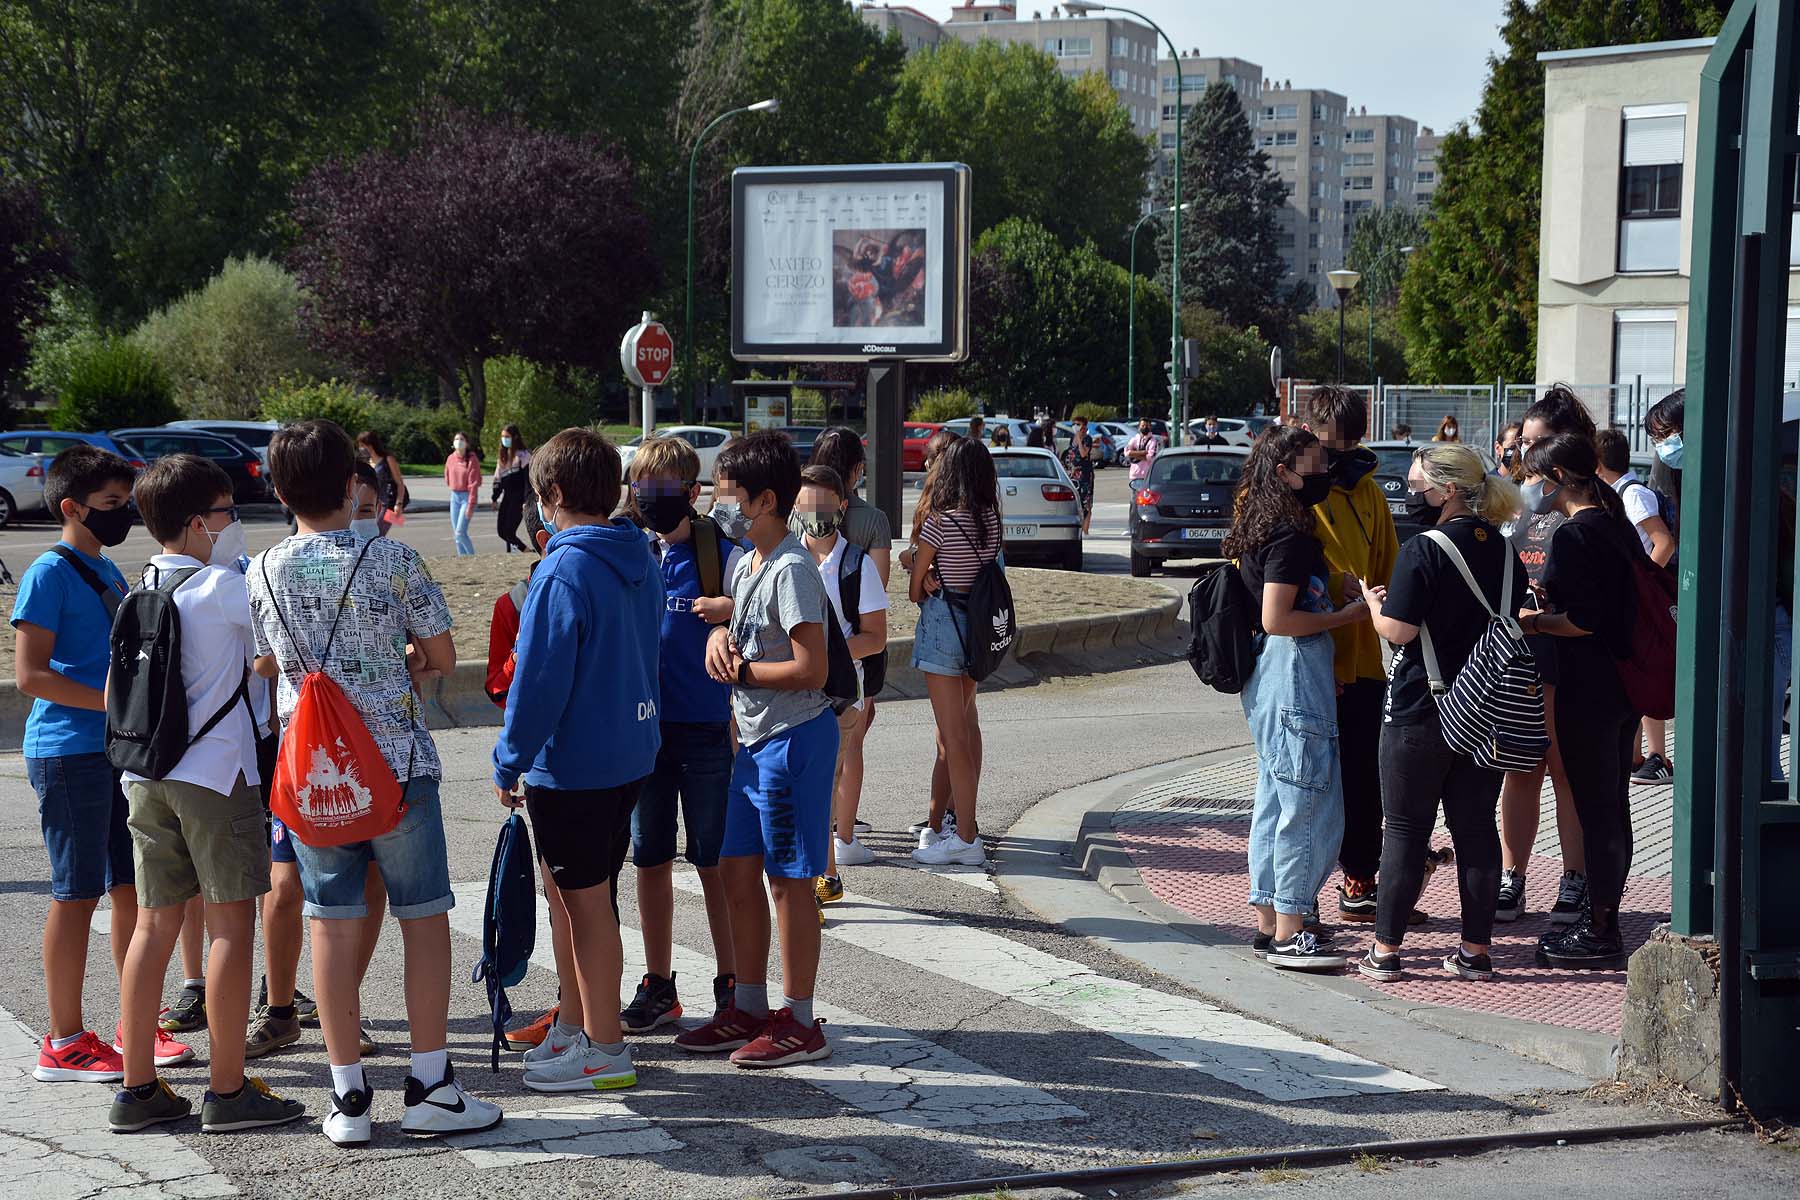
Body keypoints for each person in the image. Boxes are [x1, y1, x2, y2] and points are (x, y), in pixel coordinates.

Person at [249, 419, 500, 1145]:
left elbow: (270, 661)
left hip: (315, 774)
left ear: (275, 487)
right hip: (395, 765)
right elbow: (444, 654)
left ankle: (347, 1098)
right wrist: (406, 664)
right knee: (422, 916)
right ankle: (429, 1086)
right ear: (354, 485)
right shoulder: (393, 560)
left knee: (330, 920)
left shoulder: (261, 569)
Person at [109, 455, 307, 1133]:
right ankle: (227, 1089)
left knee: (153, 925)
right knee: (230, 927)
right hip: (215, 778)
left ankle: (137, 1087)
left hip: (145, 777)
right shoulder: (224, 586)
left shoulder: (142, 586)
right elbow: (276, 649)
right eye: (226, 513)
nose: (233, 525)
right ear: (200, 523)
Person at [13, 446, 190, 1082]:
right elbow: (30, 675)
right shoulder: (49, 573)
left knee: (128, 890)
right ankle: (63, 1041)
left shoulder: (108, 567)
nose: (124, 515)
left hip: (114, 751)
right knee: (75, 893)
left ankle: (133, 1024)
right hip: (68, 753)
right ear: (72, 507)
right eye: (113, 506)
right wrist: (114, 702)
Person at [492, 429, 662, 1091]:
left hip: (577, 765)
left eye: (538, 495)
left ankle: (606, 1049)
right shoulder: (637, 554)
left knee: (586, 907)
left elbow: (539, 681)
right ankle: (577, 1024)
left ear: (553, 495)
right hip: (628, 753)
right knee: (573, 899)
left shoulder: (563, 569)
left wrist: (510, 757)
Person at [1356, 444, 1526, 983]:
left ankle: (1385, 952)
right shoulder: (1503, 550)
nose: (1411, 495)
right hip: (1483, 707)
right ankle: (1475, 952)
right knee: (1476, 829)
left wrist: (1372, 604)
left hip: (1421, 708)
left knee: (1405, 830)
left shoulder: (1423, 549)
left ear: (1447, 490)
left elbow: (1400, 631)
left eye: (1416, 484)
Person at [696, 431, 839, 1067]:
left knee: (788, 882)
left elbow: (812, 667)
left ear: (767, 500)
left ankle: (800, 1020)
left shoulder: (793, 568)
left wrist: (742, 672)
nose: (717, 506)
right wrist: (721, 633)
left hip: (793, 740)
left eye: (729, 496)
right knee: (735, 872)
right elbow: (743, 619)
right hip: (753, 743)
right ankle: (748, 1005)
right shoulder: (746, 562)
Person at [1219, 425, 1368, 971]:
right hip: (1291, 664)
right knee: (1308, 798)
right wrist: (1347, 616)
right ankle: (1292, 928)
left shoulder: (1261, 523)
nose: (1324, 473)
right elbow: (1278, 618)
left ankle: (1269, 918)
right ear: (1284, 474)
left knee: (1277, 796)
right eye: (1314, 465)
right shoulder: (1291, 534)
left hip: (1272, 673)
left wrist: (1331, 583)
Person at [614, 438, 743, 1043]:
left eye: (662, 493)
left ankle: (731, 983)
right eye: (641, 491)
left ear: (692, 494)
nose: (650, 503)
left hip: (708, 728)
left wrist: (730, 607)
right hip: (646, 730)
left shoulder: (720, 551)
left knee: (714, 861)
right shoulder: (630, 549)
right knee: (650, 858)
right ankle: (659, 984)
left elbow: (763, 610)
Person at [1517, 432, 1642, 970]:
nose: (1531, 488)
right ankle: (1604, 917)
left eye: (1536, 477)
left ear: (1559, 479)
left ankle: (1601, 929)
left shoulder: (1574, 534)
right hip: (1622, 686)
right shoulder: (1615, 524)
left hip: (1586, 688)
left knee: (1597, 810)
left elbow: (1583, 621)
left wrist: (1535, 620)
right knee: (1613, 804)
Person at [1304, 386, 1402, 927]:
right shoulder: (1287, 489)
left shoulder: (1369, 493)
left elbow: (1387, 569)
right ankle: (1303, 892)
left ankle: (1360, 878)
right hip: (1308, 658)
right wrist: (1333, 583)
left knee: (1365, 779)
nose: (1339, 458)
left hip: (1364, 660)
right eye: (1328, 447)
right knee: (1310, 784)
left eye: (1349, 445)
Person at [1498, 386, 1596, 925]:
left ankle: (1574, 879)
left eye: (1537, 446)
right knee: (1521, 769)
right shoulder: (1511, 501)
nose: (1526, 459)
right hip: (1519, 656)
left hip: (1572, 659)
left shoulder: (1588, 503)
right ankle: (1513, 877)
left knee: (1565, 772)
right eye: (1522, 446)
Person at [796, 428, 892, 860]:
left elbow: (875, 627)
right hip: (793, 689)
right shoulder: (784, 558)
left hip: (839, 689)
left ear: (842, 504)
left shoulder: (854, 562)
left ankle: (828, 863)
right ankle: (834, 853)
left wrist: (830, 652)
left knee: (829, 773)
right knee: (812, 778)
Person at [907, 438, 1002, 869]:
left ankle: (964, 836)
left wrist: (922, 573)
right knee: (961, 731)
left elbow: (914, 590)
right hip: (977, 631)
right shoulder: (992, 521)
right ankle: (960, 829)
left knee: (953, 739)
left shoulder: (939, 523)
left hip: (944, 630)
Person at [357, 431, 407, 536]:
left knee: (378, 533)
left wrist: (399, 504)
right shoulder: (368, 461)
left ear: (371, 444)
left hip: (390, 503)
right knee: (370, 533)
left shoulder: (388, 459)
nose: (361, 448)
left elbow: (400, 483)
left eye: (363, 445)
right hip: (376, 503)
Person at [492, 425, 533, 554]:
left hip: (519, 497)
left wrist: (527, 500)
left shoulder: (524, 456)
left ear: (515, 437)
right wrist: (494, 498)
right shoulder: (502, 459)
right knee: (501, 531)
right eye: (503, 437)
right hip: (507, 498)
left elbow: (528, 480)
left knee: (509, 531)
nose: (504, 439)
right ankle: (523, 551)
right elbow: (498, 480)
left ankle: (524, 551)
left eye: (507, 437)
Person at [444, 432, 482, 556]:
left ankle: (472, 556)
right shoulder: (451, 458)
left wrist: (471, 505)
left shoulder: (472, 459)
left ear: (467, 443)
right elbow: (447, 475)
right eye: (456, 439)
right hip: (454, 496)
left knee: (460, 532)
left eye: (461, 439)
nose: (458, 441)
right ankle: (462, 559)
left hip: (467, 497)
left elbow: (474, 484)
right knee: (456, 534)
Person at [1062, 416, 1097, 535]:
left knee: (1086, 502)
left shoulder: (1087, 439)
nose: (1076, 426)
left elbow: (1083, 454)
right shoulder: (1072, 439)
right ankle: (1077, 528)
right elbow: (1071, 456)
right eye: (1074, 424)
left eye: (1078, 424)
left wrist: (1079, 438)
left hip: (1085, 474)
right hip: (1073, 474)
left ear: (1084, 427)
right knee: (1075, 501)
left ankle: (1085, 530)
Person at [1125, 418, 1161, 496]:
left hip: (1146, 476)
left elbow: (1150, 457)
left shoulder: (1153, 441)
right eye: (1143, 425)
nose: (1145, 427)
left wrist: (1134, 455)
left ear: (1150, 427)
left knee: (1144, 500)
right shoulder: (1135, 439)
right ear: (1139, 427)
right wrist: (1143, 452)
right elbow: (1127, 453)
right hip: (1134, 475)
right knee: (1134, 500)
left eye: (1147, 425)